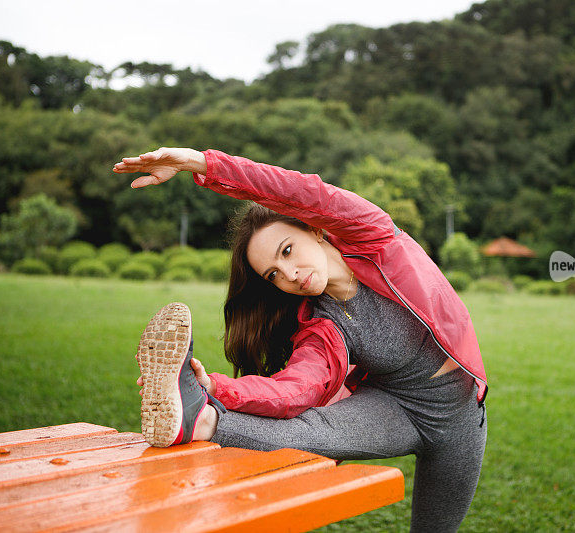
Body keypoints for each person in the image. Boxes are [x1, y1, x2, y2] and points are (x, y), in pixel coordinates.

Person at [113, 147, 488, 532]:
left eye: (287, 251)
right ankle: (200, 418)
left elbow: (297, 191)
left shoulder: (375, 239)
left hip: (460, 419)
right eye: (274, 274)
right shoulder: (321, 323)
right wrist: (210, 387)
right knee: (310, 429)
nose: (290, 274)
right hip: (394, 409)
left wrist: (201, 162)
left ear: (314, 228)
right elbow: (297, 388)